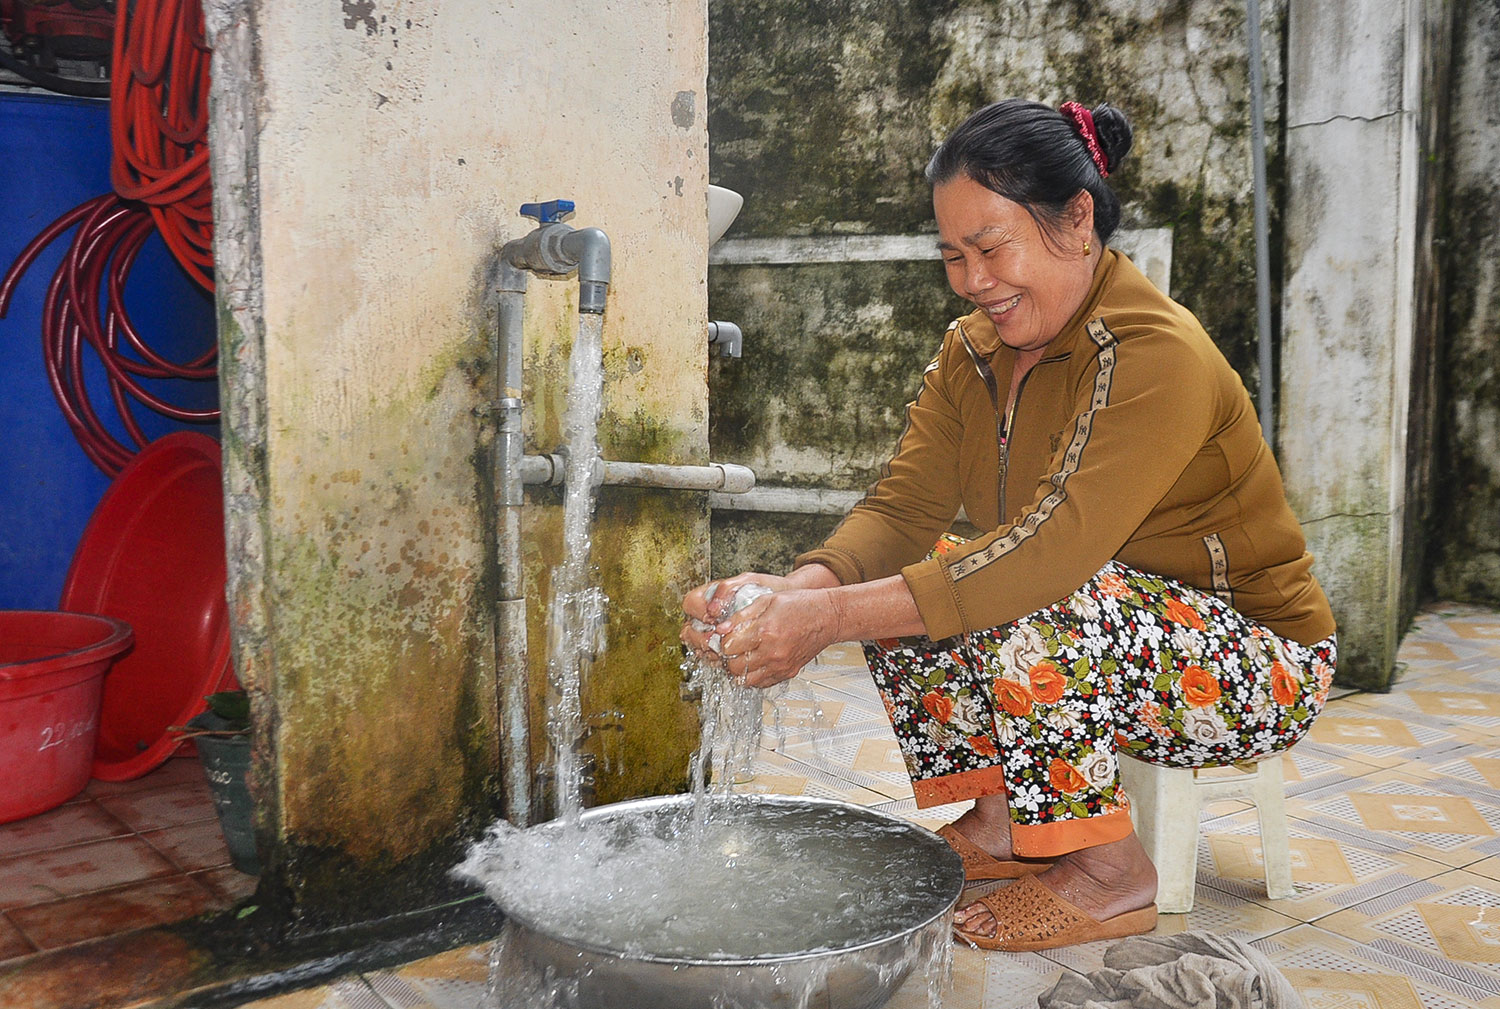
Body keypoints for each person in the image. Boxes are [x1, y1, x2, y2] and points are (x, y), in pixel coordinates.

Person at [681, 98, 1336, 952]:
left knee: (1024, 589)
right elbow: (904, 507)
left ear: (1078, 217)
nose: (972, 279)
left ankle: (1110, 873)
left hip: (1257, 662)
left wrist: (828, 622)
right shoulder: (971, 351)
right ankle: (1000, 821)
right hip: (1114, 623)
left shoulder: (1152, 352)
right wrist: (798, 590)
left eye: (991, 247)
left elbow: (1053, 553)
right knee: (938, 576)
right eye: (953, 255)